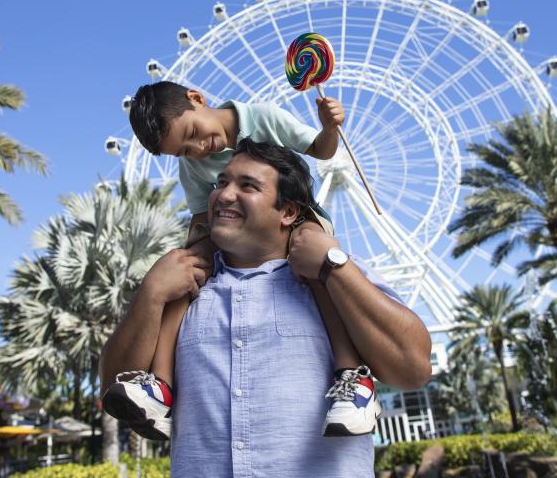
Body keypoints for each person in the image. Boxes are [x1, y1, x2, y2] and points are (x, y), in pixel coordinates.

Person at [99, 139, 432, 478]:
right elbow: (114, 389)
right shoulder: (179, 288)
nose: (224, 195)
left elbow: (413, 370)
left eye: (248, 186)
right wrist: (150, 294)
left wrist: (334, 268)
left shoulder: (336, 277)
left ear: (287, 212)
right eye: (222, 182)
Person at [103, 80, 378, 439]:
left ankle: (353, 378)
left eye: (193, 133)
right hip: (227, 227)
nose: (199, 149)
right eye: (185, 151)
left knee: (318, 264)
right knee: (184, 272)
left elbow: (321, 151)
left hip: (299, 215)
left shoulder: (263, 117)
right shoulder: (193, 165)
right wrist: (192, 259)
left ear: (198, 98)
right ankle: (160, 386)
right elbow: (203, 216)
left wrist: (329, 127)